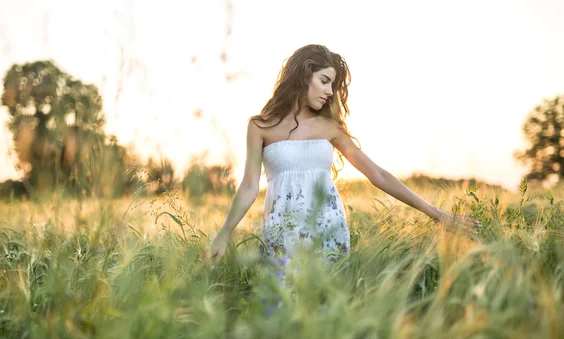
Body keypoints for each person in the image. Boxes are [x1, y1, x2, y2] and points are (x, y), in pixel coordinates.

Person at [204, 44, 479, 279]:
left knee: (325, 318)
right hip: (281, 236)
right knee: (280, 314)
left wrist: (437, 214)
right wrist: (224, 233)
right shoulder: (260, 126)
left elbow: (378, 175)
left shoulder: (330, 129)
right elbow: (250, 185)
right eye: (325, 81)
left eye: (333, 85)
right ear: (304, 75)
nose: (330, 91)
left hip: (328, 233)